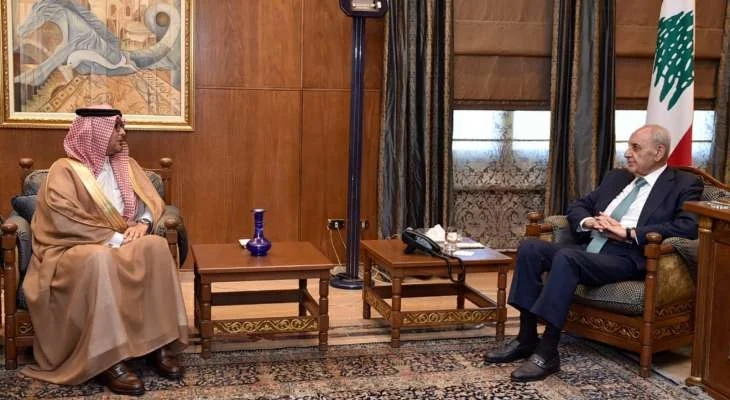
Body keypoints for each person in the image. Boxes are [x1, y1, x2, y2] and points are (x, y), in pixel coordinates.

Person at [484, 124, 703, 382]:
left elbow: (687, 227)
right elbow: (578, 205)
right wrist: (589, 222)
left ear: (658, 152)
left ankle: (547, 351)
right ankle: (526, 338)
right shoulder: (617, 178)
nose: (627, 153)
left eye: (635, 148)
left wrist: (628, 232)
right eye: (628, 146)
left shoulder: (684, 184)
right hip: (591, 247)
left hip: (627, 256)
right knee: (530, 247)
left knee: (567, 258)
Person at [21, 106, 189, 396]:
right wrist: (114, 237)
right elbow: (63, 220)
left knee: (157, 246)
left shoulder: (127, 165)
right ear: (93, 133)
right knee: (98, 258)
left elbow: (151, 202)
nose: (123, 133)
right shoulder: (65, 170)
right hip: (71, 248)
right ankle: (110, 360)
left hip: (121, 241)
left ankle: (159, 345)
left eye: (122, 127)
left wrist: (144, 224)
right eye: (116, 128)